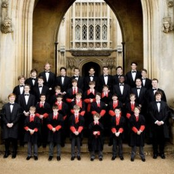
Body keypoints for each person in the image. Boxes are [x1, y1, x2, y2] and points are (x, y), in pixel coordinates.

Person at [148, 91, 169, 159]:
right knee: (155, 139)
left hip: (162, 124)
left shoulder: (165, 104)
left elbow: (167, 114)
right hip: (154, 124)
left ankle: (162, 153)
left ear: (161, 96)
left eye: (159, 95)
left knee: (162, 139)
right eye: (156, 95)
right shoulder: (151, 104)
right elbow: (150, 113)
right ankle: (155, 153)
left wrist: (162, 121)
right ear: (155, 96)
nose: (158, 96)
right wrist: (156, 121)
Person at [1, 93, 21, 159]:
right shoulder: (5, 106)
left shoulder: (18, 106)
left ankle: (14, 152)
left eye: (13, 97)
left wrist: (13, 123)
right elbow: (2, 115)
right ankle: (7, 152)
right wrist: (7, 123)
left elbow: (18, 116)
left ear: (15, 98)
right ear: (9, 98)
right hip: (6, 125)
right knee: (6, 139)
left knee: (14, 139)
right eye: (11, 97)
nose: (12, 98)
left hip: (14, 125)